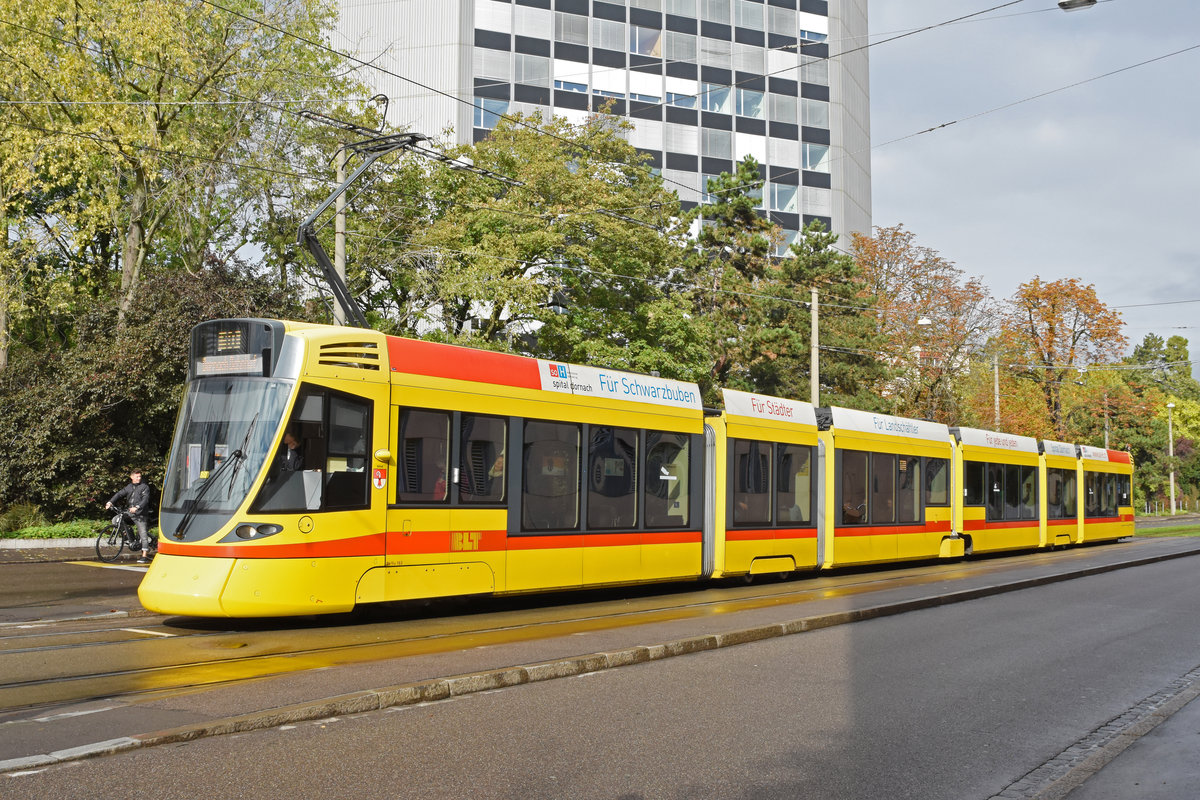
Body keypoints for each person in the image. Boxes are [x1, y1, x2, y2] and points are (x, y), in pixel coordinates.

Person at [106, 469, 154, 563]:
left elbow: (145, 500)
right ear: (131, 477)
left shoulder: (144, 487)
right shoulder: (129, 487)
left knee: (143, 533)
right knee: (116, 519)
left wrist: (137, 507)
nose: (138, 478)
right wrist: (110, 502)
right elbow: (119, 494)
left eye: (140, 476)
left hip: (140, 513)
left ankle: (144, 555)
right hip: (130, 512)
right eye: (137, 477)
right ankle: (128, 535)